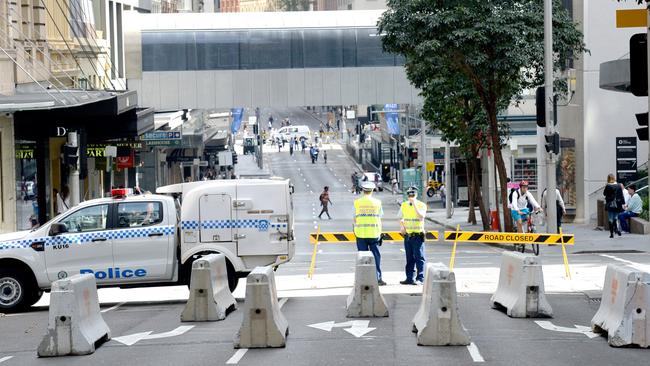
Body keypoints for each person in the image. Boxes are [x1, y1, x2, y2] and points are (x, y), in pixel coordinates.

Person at [353, 181, 386, 286]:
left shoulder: (357, 202)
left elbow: (354, 218)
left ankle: (363, 279)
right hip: (374, 233)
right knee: (375, 256)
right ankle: (377, 278)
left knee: (362, 258)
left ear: (363, 190)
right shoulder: (377, 202)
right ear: (372, 190)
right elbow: (380, 216)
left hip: (361, 234)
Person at [399, 187, 427, 285]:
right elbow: (402, 217)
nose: (411, 197)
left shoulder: (421, 205)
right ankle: (409, 277)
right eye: (410, 196)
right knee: (409, 258)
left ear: (416, 195)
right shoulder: (404, 205)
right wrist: (402, 226)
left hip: (418, 235)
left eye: (413, 195)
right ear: (407, 195)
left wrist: (414, 204)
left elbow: (421, 216)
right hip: (408, 235)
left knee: (419, 257)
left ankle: (420, 278)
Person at [603, 174, 624, 238]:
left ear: (608, 179)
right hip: (617, 204)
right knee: (615, 217)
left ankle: (611, 234)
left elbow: (604, 194)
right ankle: (616, 229)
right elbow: (621, 195)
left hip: (610, 204)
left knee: (610, 219)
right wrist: (623, 203)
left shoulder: (608, 186)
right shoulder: (619, 185)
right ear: (614, 178)